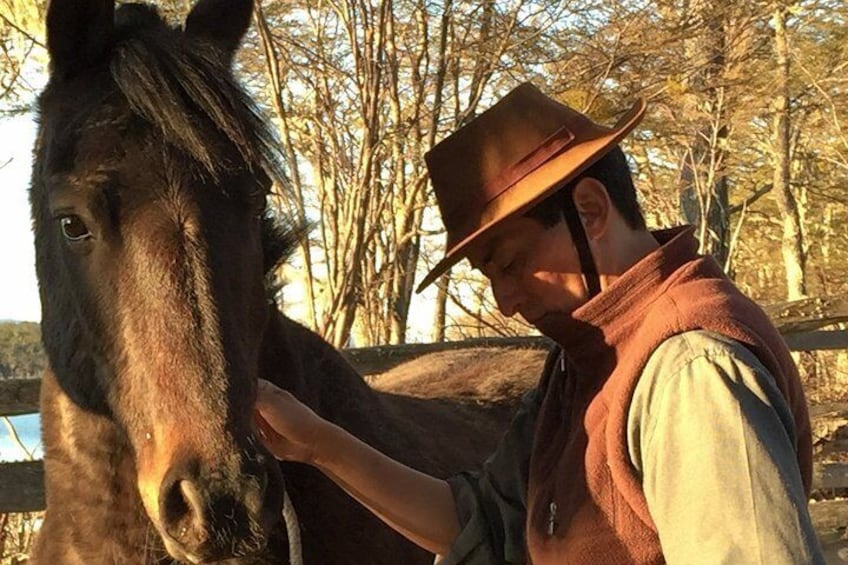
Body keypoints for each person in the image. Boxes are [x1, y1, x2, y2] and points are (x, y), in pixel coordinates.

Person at [254, 83, 824, 564]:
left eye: (510, 263)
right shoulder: (586, 361)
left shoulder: (691, 370)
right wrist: (317, 444)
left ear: (591, 210)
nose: (504, 301)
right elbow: (479, 522)